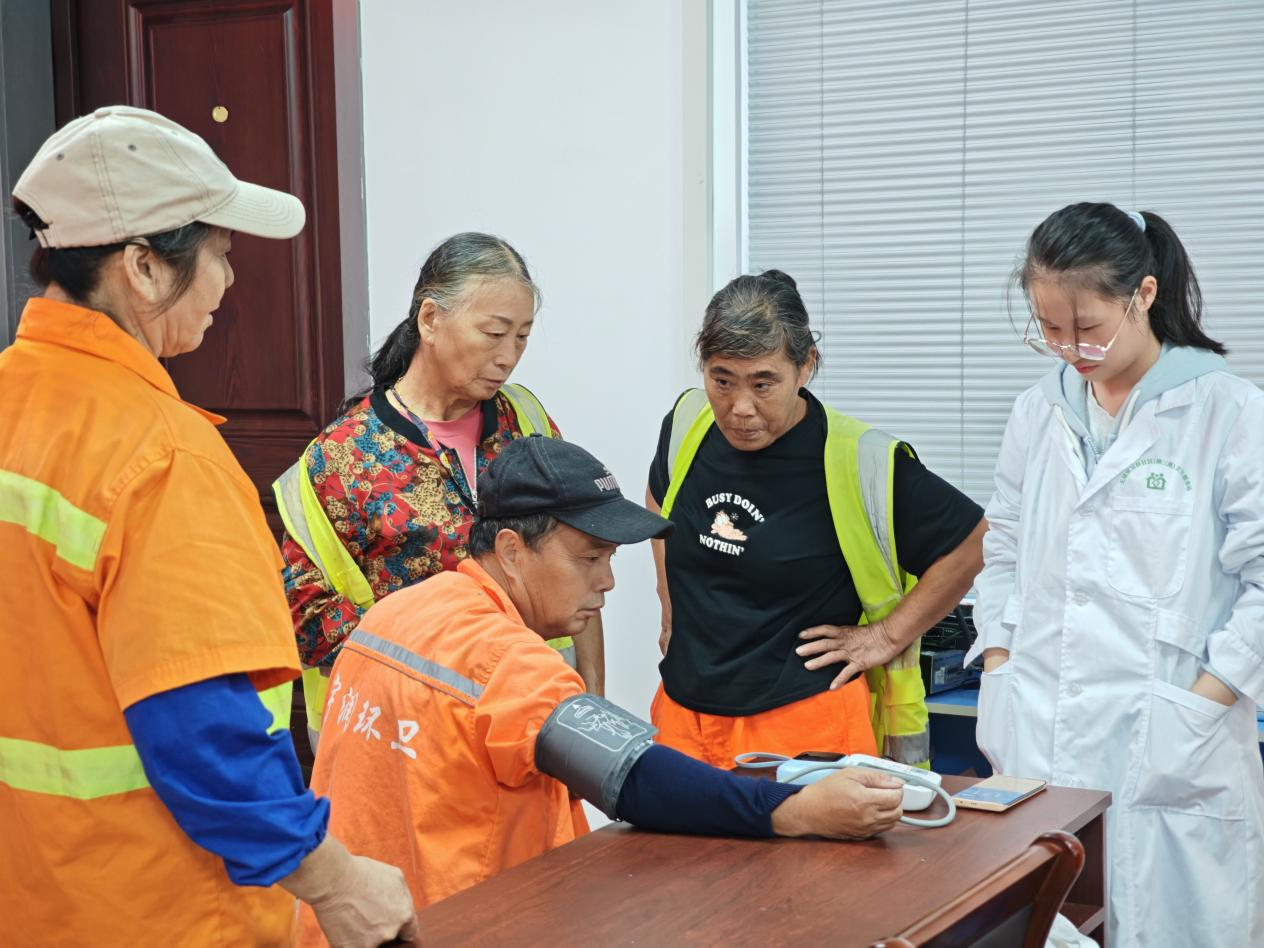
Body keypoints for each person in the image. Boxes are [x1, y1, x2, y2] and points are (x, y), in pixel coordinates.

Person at [0, 106, 416, 947]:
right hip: (154, 912)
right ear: (144, 266)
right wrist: (336, 882)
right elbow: (202, 729)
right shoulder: (161, 456)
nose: (228, 281)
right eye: (222, 253)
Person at [298, 435, 906, 938]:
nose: (608, 582)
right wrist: (794, 810)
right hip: (457, 926)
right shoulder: (503, 659)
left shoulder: (395, 614)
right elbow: (635, 777)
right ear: (511, 550)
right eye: (590, 559)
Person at [969, 202, 1264, 947]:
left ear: (1144, 295)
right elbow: (1002, 549)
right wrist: (1000, 664)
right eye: (1050, 329)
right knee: (1050, 923)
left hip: (1172, 745)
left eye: (1089, 326)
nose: (1071, 348)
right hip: (1039, 732)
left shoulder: (1227, 413)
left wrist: (1200, 706)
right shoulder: (1037, 413)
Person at [276, 232, 604, 751]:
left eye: (522, 336)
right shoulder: (343, 457)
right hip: (406, 737)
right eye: (494, 333)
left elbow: (580, 559)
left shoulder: (525, 422)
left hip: (531, 721)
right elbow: (306, 615)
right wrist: (445, 656)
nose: (508, 357)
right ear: (430, 319)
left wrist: (593, 705)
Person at [647, 270, 986, 770]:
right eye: (722, 380)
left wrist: (886, 636)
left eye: (763, 383)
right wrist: (669, 603)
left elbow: (974, 542)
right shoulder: (687, 422)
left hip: (803, 724)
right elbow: (660, 499)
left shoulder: (860, 459)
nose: (740, 408)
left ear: (806, 366)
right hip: (684, 715)